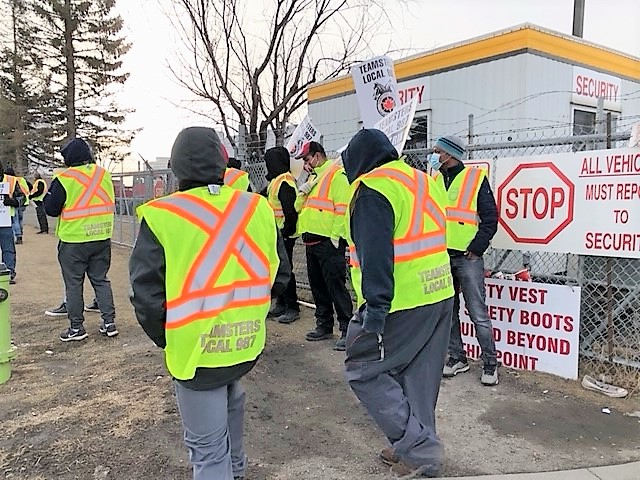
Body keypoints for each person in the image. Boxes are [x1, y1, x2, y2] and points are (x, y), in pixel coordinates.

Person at [129, 126, 290, 480]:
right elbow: (279, 275)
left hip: (195, 356)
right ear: (221, 160)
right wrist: (251, 314)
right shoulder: (255, 207)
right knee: (231, 426)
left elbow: (146, 296)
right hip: (245, 344)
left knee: (208, 454)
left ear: (176, 169)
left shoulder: (162, 215)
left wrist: (169, 339)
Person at [341, 129, 454, 477]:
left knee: (362, 367)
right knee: (420, 376)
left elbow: (376, 256)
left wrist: (373, 314)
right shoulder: (421, 181)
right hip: (439, 293)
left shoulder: (373, 189)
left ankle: (420, 450)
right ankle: (418, 451)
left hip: (399, 301)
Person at [430, 135, 499, 386]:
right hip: (441, 255)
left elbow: (490, 218)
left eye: (438, 151)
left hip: (467, 257)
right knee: (448, 312)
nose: (435, 155)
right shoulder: (434, 179)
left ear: (450, 154)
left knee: (477, 312)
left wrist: (477, 247)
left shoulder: (474, 178)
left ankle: (490, 363)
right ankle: (458, 358)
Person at [44, 138, 118, 342]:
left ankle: (77, 328)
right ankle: (109, 322)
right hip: (102, 236)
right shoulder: (104, 175)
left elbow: (50, 209)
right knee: (101, 280)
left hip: (73, 240)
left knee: (74, 284)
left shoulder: (65, 178)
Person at [294, 141, 352, 351]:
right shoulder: (314, 178)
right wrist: (303, 189)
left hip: (328, 242)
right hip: (311, 241)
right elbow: (298, 206)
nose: (306, 164)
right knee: (318, 287)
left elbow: (341, 208)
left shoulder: (336, 176)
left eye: (308, 159)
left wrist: (336, 237)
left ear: (318, 156)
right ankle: (324, 325)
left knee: (336, 287)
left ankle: (347, 329)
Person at [264, 146, 300, 324]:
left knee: (287, 271)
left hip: (285, 234)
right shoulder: (276, 181)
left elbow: (291, 213)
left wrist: (286, 233)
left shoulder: (285, 182)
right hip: (277, 234)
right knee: (278, 269)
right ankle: (282, 303)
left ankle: (292, 307)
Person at [0, 163, 24, 284]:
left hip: (5, 221)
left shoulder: (11, 181)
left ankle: (8, 273)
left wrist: (12, 201)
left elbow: (21, 198)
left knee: (8, 249)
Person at [5, 166, 30, 244]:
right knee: (19, 219)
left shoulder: (6, 180)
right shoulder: (19, 179)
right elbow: (29, 187)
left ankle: (17, 235)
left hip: (12, 200)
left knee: (14, 220)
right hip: (21, 200)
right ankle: (20, 234)